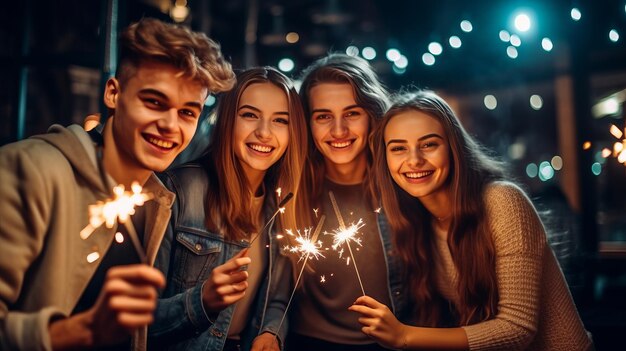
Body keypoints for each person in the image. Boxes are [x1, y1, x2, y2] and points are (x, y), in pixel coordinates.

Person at [0, 18, 235, 350]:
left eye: (187, 113)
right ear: (113, 93)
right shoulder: (31, 170)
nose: (170, 125)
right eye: (154, 102)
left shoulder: (156, 201)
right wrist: (83, 330)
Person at [350, 90, 594, 350]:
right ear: (385, 159)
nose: (414, 160)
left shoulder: (501, 200)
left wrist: (404, 335)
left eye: (429, 144)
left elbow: (518, 328)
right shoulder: (417, 222)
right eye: (398, 148)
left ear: (454, 148)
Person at [148, 67, 307, 351]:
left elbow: (277, 297)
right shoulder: (177, 190)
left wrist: (271, 332)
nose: (264, 132)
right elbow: (137, 321)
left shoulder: (282, 203)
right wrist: (203, 301)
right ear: (227, 121)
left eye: (280, 120)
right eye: (249, 115)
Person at [280, 53, 406, 351]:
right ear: (307, 123)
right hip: (306, 343)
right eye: (323, 116)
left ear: (372, 115)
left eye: (352, 113)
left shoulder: (404, 184)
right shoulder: (289, 190)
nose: (338, 131)